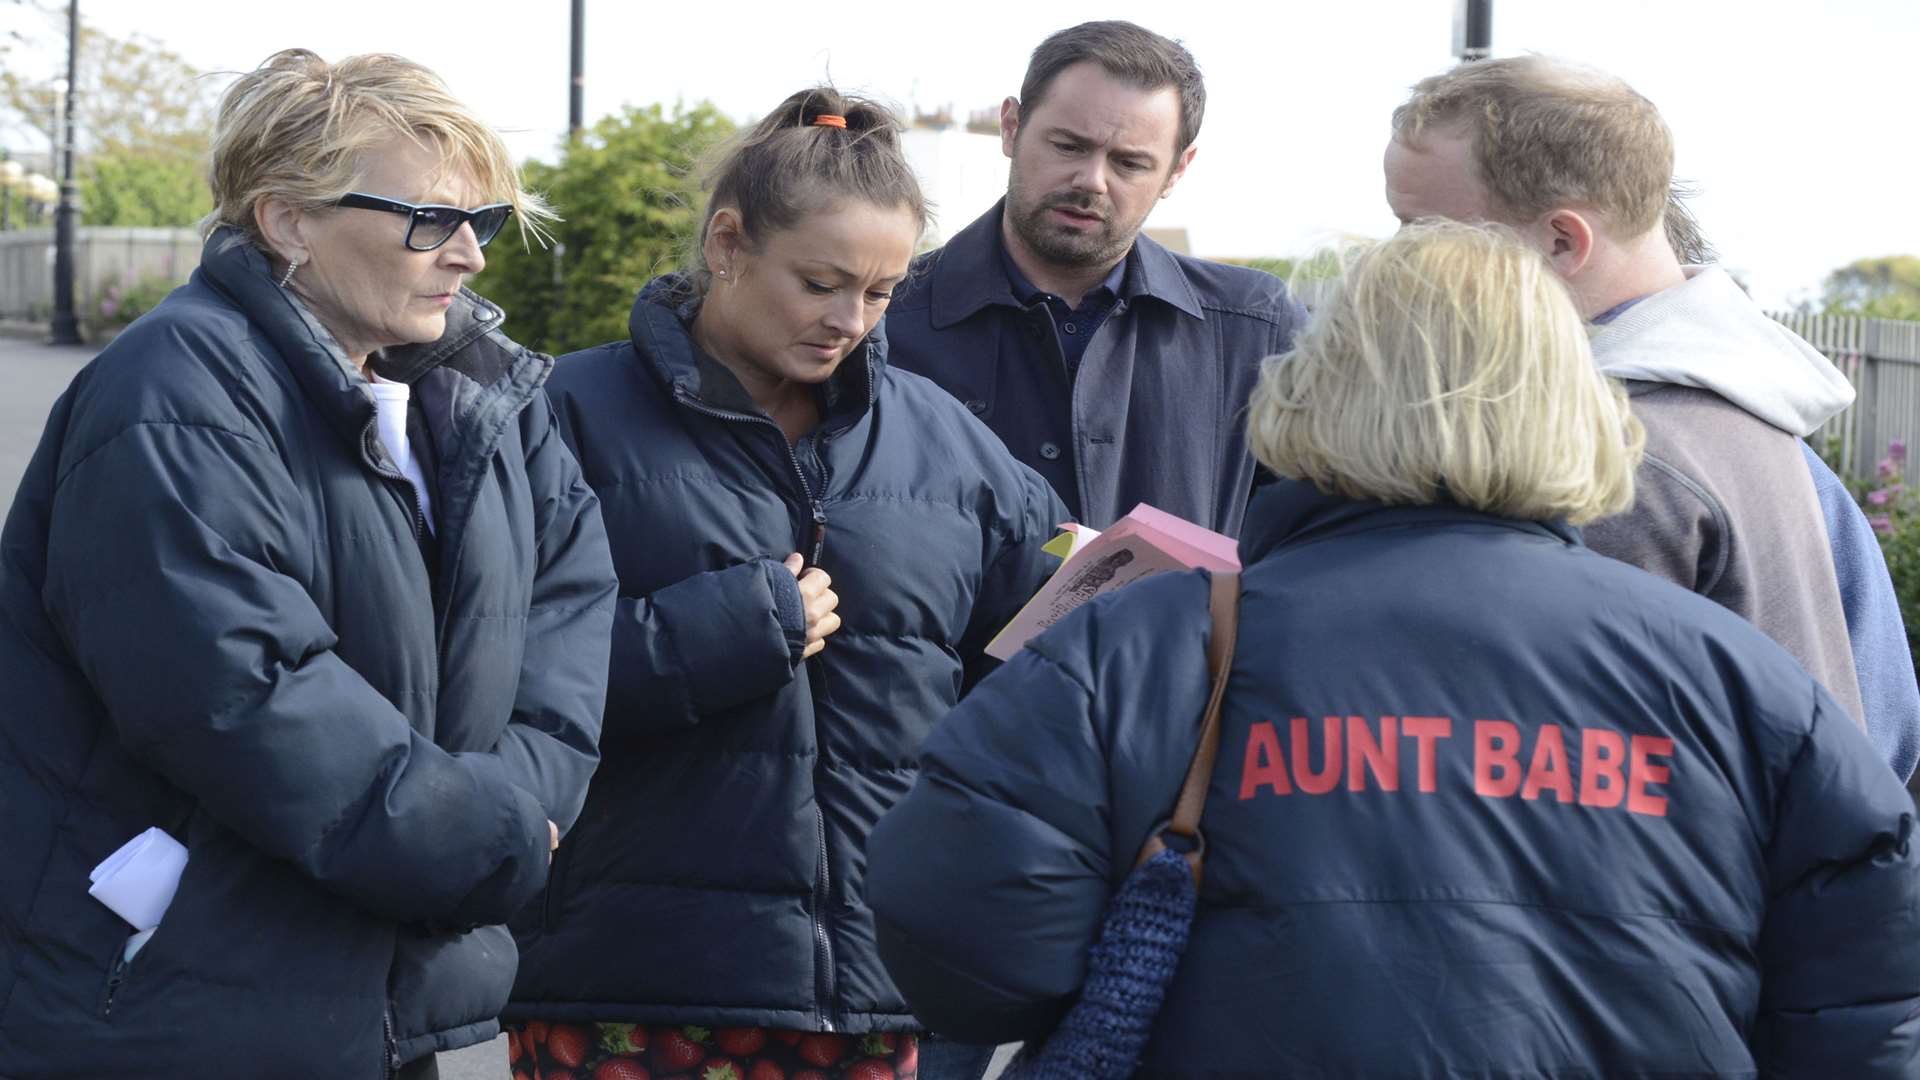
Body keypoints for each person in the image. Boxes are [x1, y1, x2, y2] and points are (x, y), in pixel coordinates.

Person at [865, 222, 1920, 1076]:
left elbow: (964, 951)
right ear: (1575, 403)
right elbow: (1868, 999)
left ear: (1315, 386)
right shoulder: (1735, 680)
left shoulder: (1137, 644)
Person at [0, 49, 616, 1080]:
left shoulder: (476, 395)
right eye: (432, 219)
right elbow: (244, 697)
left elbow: (568, 601)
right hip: (177, 1009)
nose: (469, 254)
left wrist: (522, 803)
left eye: (487, 221)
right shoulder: (170, 395)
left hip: (370, 1003)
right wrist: (496, 830)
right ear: (287, 220)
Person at [502, 88, 1065, 1080]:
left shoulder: (951, 445)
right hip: (628, 989)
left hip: (874, 991)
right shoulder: (562, 416)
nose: (850, 320)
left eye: (884, 292)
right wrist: (716, 632)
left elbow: (1021, 683)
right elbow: (491, 677)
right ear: (728, 242)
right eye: (822, 282)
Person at [1383, 54, 1920, 781]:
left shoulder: (1612, 456)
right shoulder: (1758, 417)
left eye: (1424, 230)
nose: (1398, 261)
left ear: (1562, 240)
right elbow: (1884, 730)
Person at [885, 20, 1303, 537]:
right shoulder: (879, 322)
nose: (1091, 180)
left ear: (1177, 170)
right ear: (1011, 127)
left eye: (1129, 163)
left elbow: (1307, 546)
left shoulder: (1257, 331)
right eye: (1067, 146)